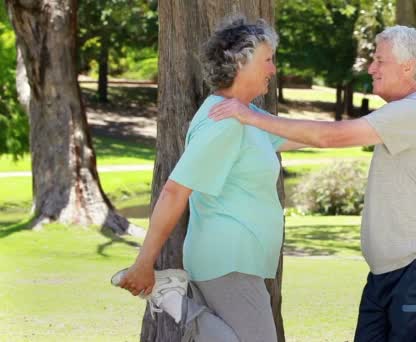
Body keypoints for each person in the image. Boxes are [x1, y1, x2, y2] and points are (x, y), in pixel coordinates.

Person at [209, 25, 416, 341]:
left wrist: (251, 117)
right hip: (385, 276)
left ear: (407, 67)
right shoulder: (398, 115)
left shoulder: (415, 112)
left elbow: (333, 137)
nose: (371, 67)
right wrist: (258, 132)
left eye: (380, 60)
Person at [111, 17, 305, 342]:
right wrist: (144, 262)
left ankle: (172, 299)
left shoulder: (246, 116)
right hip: (229, 260)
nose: (273, 69)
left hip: (238, 260)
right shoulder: (224, 121)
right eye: (268, 60)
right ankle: (169, 297)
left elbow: (308, 136)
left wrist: (376, 127)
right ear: (241, 63)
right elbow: (175, 190)